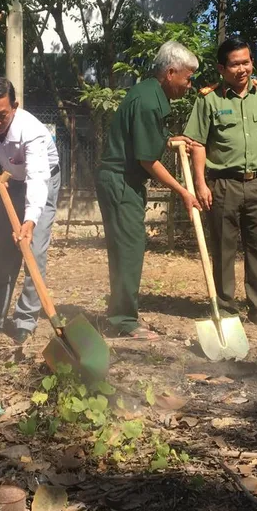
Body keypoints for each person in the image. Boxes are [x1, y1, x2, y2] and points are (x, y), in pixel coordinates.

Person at [95, 40, 202, 341]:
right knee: (129, 249)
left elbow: (144, 138)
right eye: (187, 77)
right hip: (120, 181)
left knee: (127, 247)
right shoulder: (149, 101)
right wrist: (183, 191)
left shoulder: (148, 93)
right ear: (170, 72)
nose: (189, 85)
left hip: (123, 181)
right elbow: (147, 160)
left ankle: (120, 314)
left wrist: (170, 138)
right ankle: (123, 321)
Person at [183, 37, 257, 326]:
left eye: (246, 62)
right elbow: (197, 143)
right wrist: (201, 184)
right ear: (222, 68)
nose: (242, 69)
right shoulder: (209, 99)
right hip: (222, 186)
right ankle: (226, 310)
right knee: (223, 249)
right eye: (235, 64)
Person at [0, 76, 61, 349]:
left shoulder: (31, 130)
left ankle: (25, 321)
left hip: (43, 181)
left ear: (15, 106)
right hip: (9, 182)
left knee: (33, 249)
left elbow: (37, 177)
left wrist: (30, 220)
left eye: (2, 116)